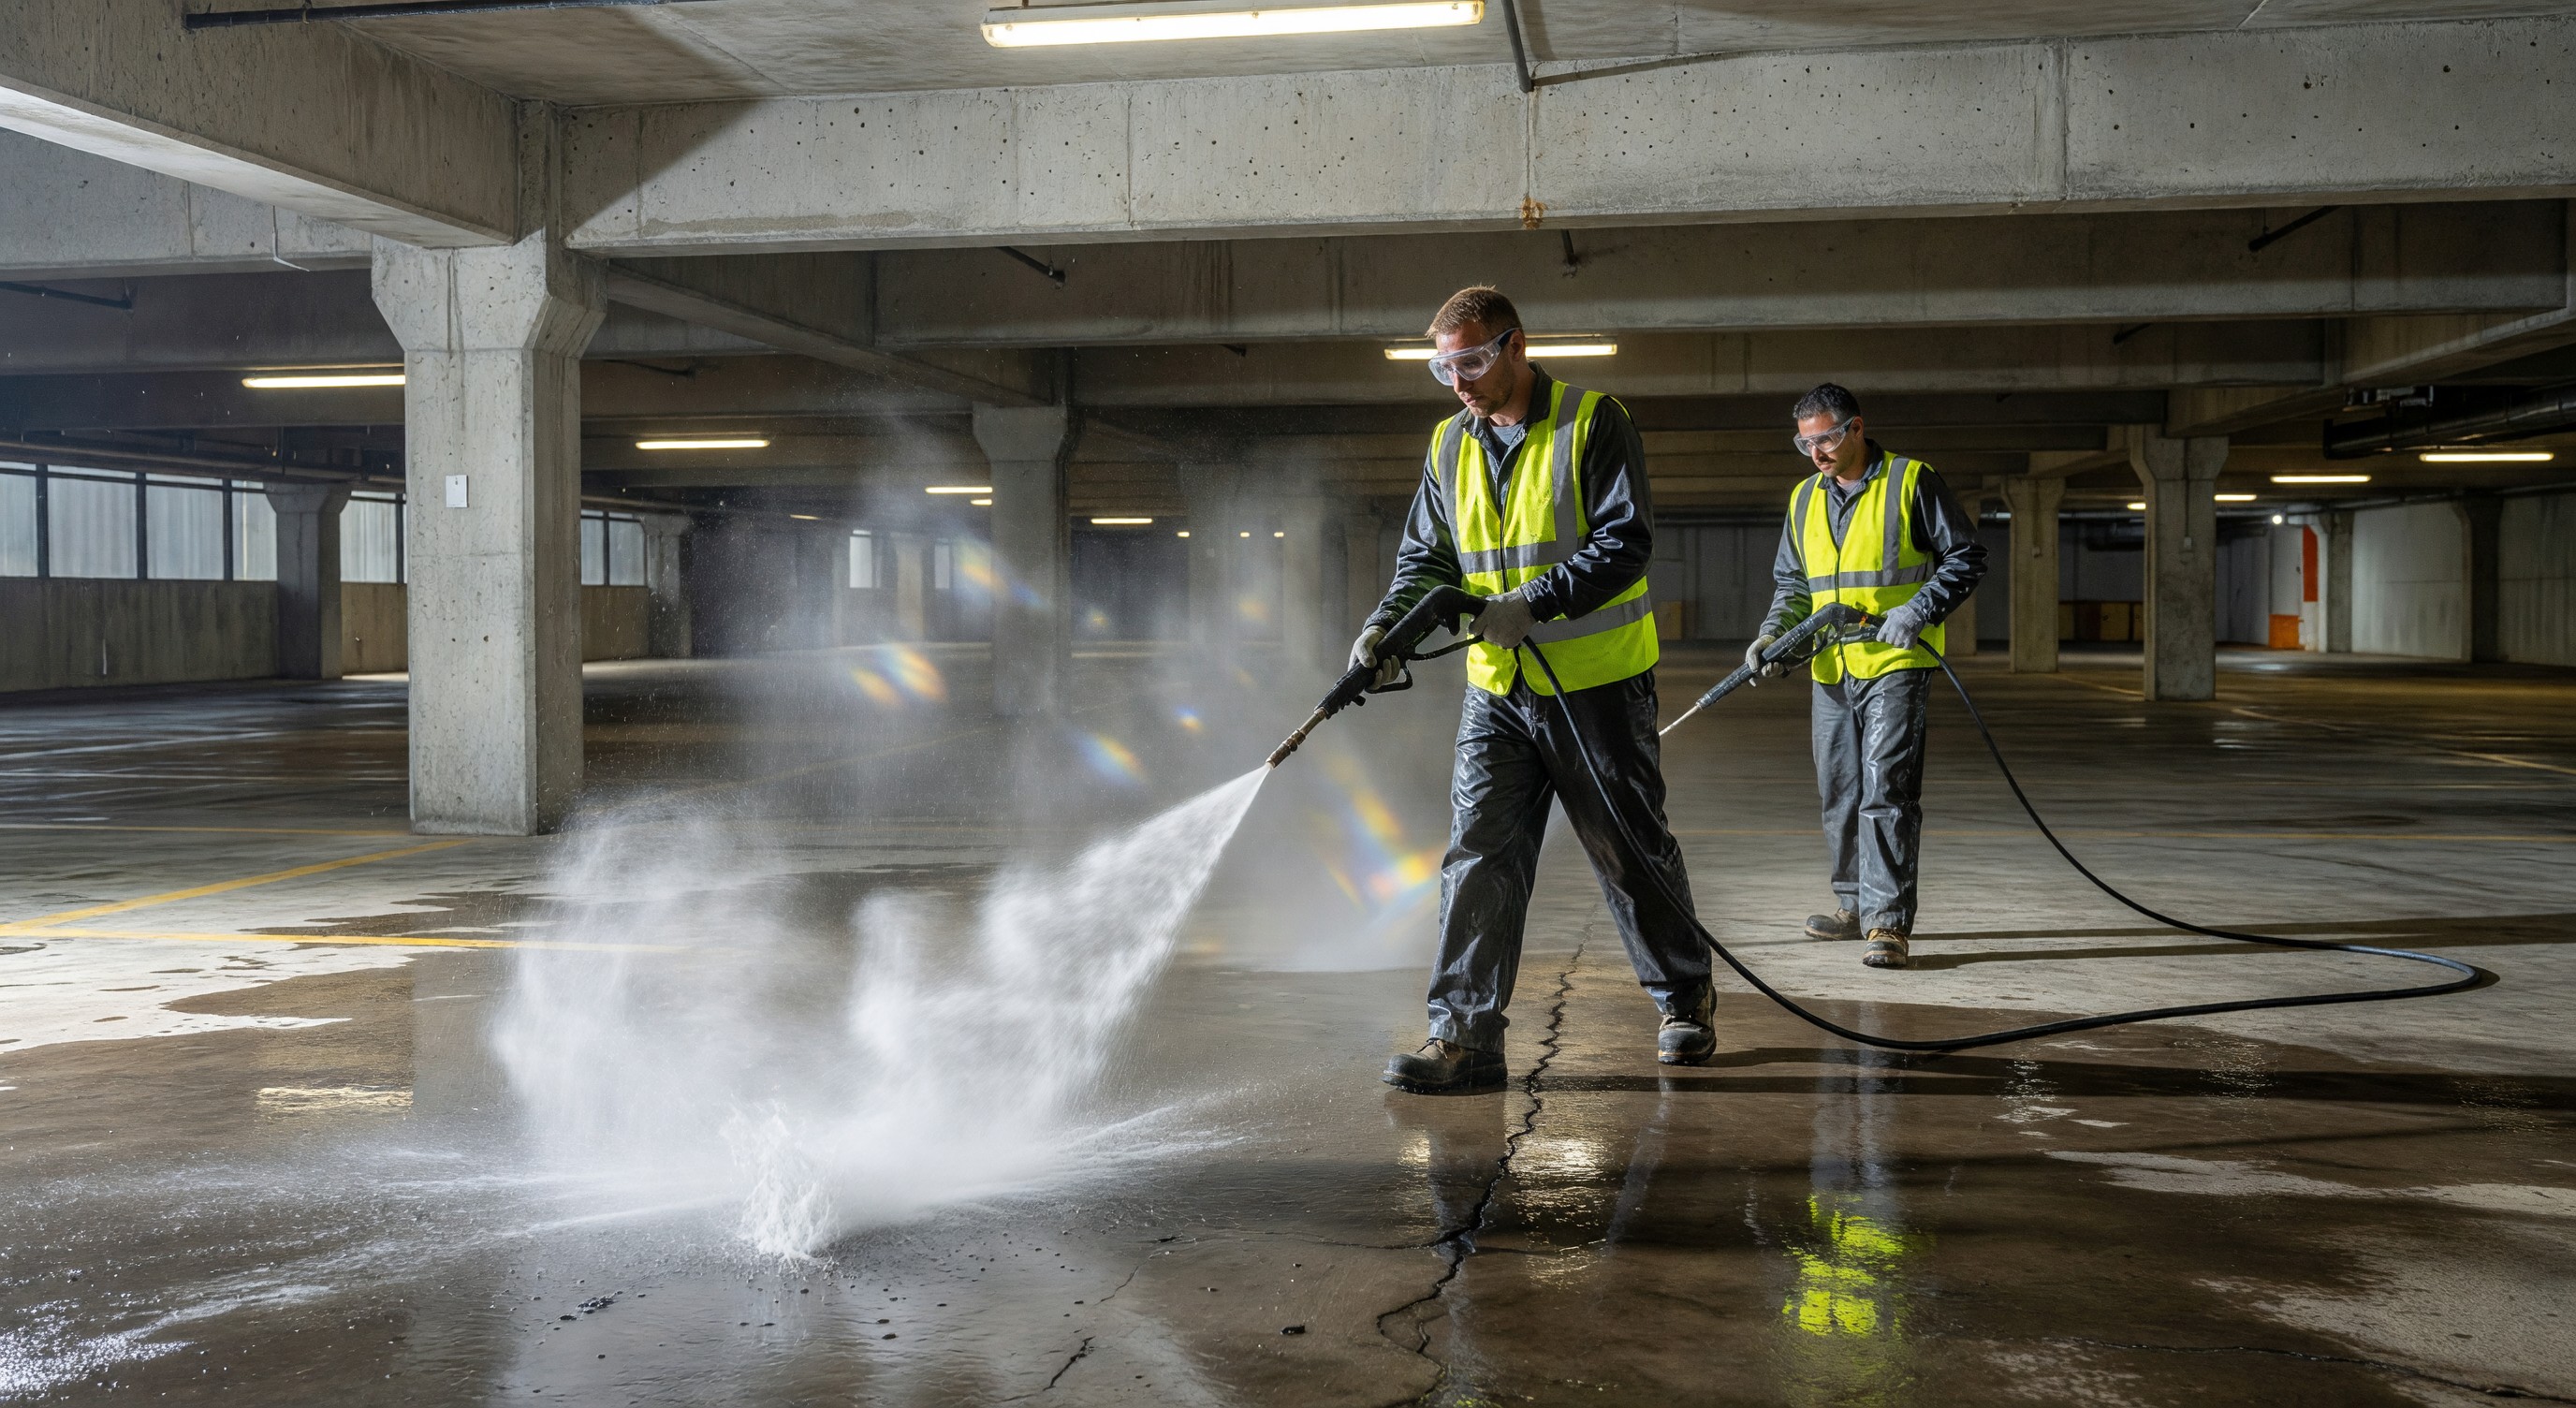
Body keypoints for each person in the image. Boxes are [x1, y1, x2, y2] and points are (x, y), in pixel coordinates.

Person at [1355, 286, 1712, 1095]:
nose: (1460, 381)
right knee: (1478, 856)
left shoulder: (1593, 421)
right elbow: (1428, 561)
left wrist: (1534, 603)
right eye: (1444, 367)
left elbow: (1627, 542)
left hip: (1598, 686)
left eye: (1473, 360)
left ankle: (1685, 998)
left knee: (1627, 850)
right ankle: (1464, 1037)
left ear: (1518, 347)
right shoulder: (1449, 444)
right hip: (1496, 690)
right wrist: (1386, 627)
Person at [1751, 383, 1987, 972]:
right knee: (1841, 791)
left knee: (1887, 789)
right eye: (1805, 443)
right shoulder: (1804, 498)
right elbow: (1794, 586)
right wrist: (1773, 636)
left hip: (1894, 662)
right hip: (1831, 666)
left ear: (1857, 428)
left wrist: (1919, 610)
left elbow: (1965, 556)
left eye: (1826, 438)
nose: (1817, 453)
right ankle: (1852, 905)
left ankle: (1887, 923)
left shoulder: (1910, 480)